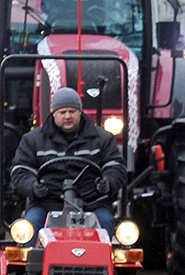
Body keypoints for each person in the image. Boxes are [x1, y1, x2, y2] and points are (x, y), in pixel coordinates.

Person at [9, 87, 126, 243]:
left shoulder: (102, 139)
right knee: (29, 228)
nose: (68, 116)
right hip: (47, 203)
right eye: (62, 112)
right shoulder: (33, 140)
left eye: (72, 111)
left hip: (91, 203)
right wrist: (33, 187)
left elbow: (116, 167)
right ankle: (29, 264)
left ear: (80, 112)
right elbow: (20, 170)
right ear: (54, 114)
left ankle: (102, 264)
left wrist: (108, 182)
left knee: (105, 223)